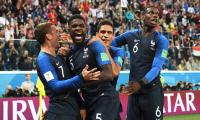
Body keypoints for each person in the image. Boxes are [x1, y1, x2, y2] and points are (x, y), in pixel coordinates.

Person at [111, 6, 169, 120]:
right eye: (151, 12)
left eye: (157, 14)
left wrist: (141, 83)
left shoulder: (161, 40)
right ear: (142, 16)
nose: (155, 15)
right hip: (134, 92)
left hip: (152, 92)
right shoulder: (130, 35)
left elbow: (156, 68)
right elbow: (110, 44)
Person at [35, 22, 100, 120]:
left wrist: (81, 105)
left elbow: (70, 84)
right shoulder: (43, 60)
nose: (59, 35)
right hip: (60, 113)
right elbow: (54, 86)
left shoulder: (59, 56)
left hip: (72, 111)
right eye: (56, 32)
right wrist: (81, 78)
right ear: (48, 36)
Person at [66, 15, 119, 120]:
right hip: (88, 102)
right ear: (69, 30)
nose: (78, 28)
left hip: (104, 98)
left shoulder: (95, 45)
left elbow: (108, 74)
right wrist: (81, 105)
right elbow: (71, 85)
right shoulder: (68, 54)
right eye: (74, 26)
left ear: (86, 29)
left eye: (81, 26)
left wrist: (83, 80)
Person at [95, 19, 125, 120]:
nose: (105, 35)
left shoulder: (118, 51)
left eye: (109, 33)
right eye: (102, 32)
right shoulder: (89, 50)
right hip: (92, 102)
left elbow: (115, 72)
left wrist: (104, 48)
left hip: (111, 103)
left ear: (113, 36)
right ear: (97, 35)